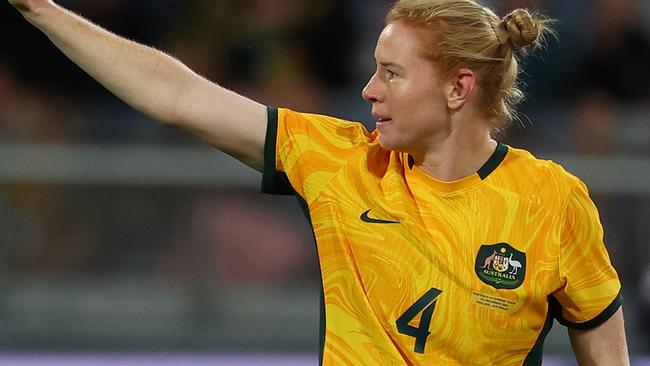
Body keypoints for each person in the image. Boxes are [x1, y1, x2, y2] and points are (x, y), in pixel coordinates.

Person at [7, 0, 630, 364]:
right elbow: (175, 93)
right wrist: (41, 8)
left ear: (458, 87)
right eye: (372, 70)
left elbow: (601, 339)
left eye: (391, 73)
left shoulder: (552, 199)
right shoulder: (339, 161)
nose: (369, 91)